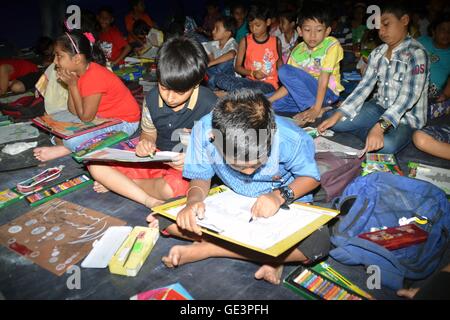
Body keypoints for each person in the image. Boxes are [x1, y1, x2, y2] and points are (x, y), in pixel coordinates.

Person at [158, 90, 327, 285]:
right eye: (237, 165)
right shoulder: (204, 132)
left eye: (256, 164)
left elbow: (311, 178)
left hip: (284, 203)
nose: (248, 173)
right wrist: (193, 201)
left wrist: (278, 196)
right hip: (231, 200)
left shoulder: (291, 138)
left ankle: (210, 248)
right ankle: (273, 255)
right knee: (167, 216)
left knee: (318, 242)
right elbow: (200, 176)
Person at [88, 36, 217, 209]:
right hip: (157, 159)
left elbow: (217, 151)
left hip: (186, 170)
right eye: (164, 87)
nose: (170, 97)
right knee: (95, 164)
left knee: (172, 189)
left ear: (196, 83)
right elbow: (149, 132)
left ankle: (123, 185)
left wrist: (192, 159)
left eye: (179, 92)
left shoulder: (210, 105)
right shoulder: (152, 98)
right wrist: (146, 142)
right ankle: (148, 199)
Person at [318, 2, 430, 155]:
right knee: (331, 119)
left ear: (404, 20)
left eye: (386, 24)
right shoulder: (377, 53)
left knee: (387, 146)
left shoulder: (416, 53)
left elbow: (407, 98)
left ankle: (375, 132)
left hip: (406, 118)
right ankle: (372, 132)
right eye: (378, 27)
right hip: (379, 107)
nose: (381, 31)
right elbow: (364, 87)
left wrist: (379, 127)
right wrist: (339, 113)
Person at [33, 30, 141, 161]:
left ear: (77, 59)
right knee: (55, 123)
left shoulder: (94, 76)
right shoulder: (79, 72)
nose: (55, 61)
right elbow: (73, 111)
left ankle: (66, 149)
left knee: (70, 141)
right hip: (101, 117)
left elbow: (86, 118)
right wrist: (71, 85)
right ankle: (70, 145)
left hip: (125, 123)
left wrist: (72, 85)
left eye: (59, 56)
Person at [269, 3, 343, 123]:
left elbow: (323, 79)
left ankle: (313, 108)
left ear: (327, 31)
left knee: (283, 70)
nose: (313, 35)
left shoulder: (331, 45)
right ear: (300, 31)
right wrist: (269, 100)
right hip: (305, 96)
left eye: (319, 30)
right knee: (267, 101)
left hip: (327, 94)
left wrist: (315, 108)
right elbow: (290, 83)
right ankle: (319, 108)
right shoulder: (297, 51)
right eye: (307, 30)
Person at [214, 5, 282, 94]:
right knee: (219, 79)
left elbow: (280, 64)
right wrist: (253, 73)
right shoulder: (245, 41)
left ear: (268, 22)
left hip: (268, 84)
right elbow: (237, 67)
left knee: (258, 90)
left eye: (257, 25)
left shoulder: (276, 41)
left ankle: (234, 94)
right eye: (250, 25)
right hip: (249, 82)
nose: (253, 29)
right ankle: (240, 95)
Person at [418, 14, 450, 120]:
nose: (447, 34)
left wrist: (445, 95)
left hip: (431, 97)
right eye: (442, 30)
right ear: (433, 31)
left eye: (449, 31)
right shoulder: (422, 41)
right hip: (410, 86)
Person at [205, 16, 238, 90]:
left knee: (226, 62)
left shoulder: (233, 43)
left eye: (217, 29)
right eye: (214, 28)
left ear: (227, 33)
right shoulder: (213, 44)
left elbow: (231, 55)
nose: (213, 31)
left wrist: (210, 63)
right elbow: (207, 50)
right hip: (217, 73)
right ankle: (215, 81)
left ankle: (215, 83)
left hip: (231, 76)